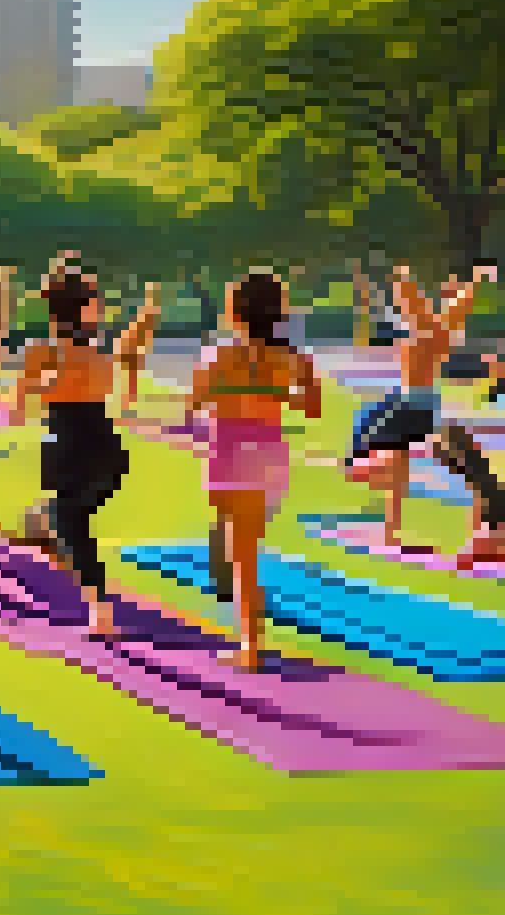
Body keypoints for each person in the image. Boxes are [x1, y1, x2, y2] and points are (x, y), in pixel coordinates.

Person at [183, 272, 322, 673]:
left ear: (234, 310)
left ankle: (250, 646)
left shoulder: (218, 354)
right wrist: (273, 391)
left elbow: (194, 402)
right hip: (268, 451)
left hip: (230, 450)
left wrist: (235, 390)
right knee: (244, 551)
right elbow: (311, 408)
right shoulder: (293, 357)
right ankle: (249, 640)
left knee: (241, 555)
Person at [9, 268, 132, 638]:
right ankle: (48, 523)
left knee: (72, 526)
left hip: (69, 444)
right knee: (74, 522)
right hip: (108, 447)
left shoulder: (43, 350)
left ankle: (100, 612)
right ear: (86, 310)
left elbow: (21, 405)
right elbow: (102, 389)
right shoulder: (98, 353)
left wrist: (41, 384)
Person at [345, 263, 497, 553]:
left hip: (412, 406)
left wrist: (474, 281)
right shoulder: (436, 331)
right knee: (406, 469)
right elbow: (442, 305)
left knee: (393, 468)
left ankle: (480, 523)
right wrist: (475, 281)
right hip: (416, 405)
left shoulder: (432, 331)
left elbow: (429, 302)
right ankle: (394, 531)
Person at [112, 281, 163, 420]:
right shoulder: (145, 316)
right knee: (129, 375)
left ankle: (128, 404)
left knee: (129, 376)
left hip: (131, 349)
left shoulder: (145, 317)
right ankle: (127, 404)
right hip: (129, 349)